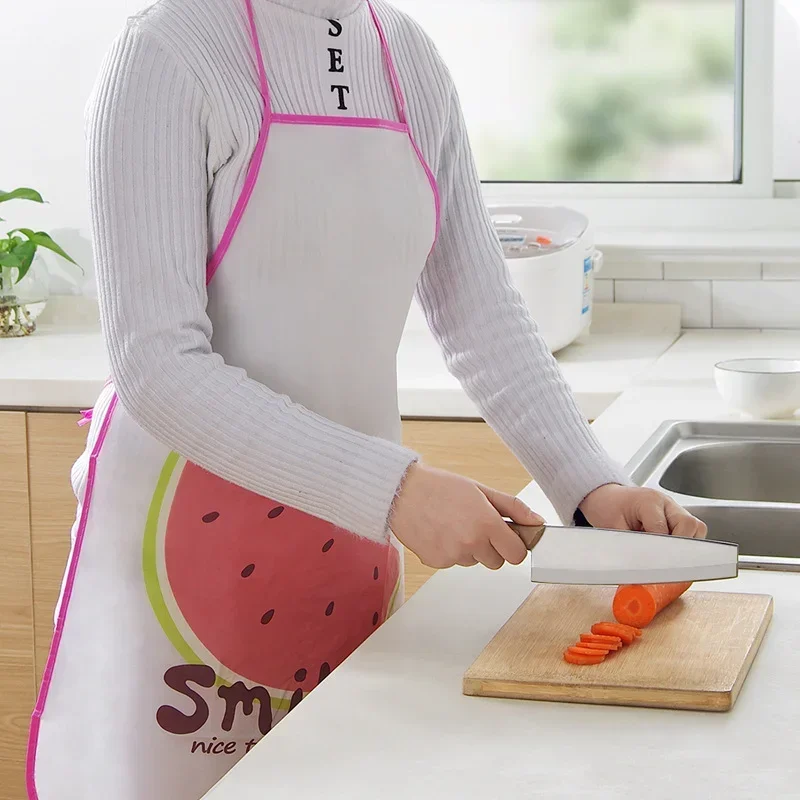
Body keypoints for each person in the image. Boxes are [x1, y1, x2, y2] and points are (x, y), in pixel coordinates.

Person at [26, 0, 706, 798]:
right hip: (177, 571)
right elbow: (156, 365)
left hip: (350, 550)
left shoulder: (408, 57)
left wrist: (590, 484)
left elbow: (480, 312)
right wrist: (395, 491)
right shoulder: (166, 51)